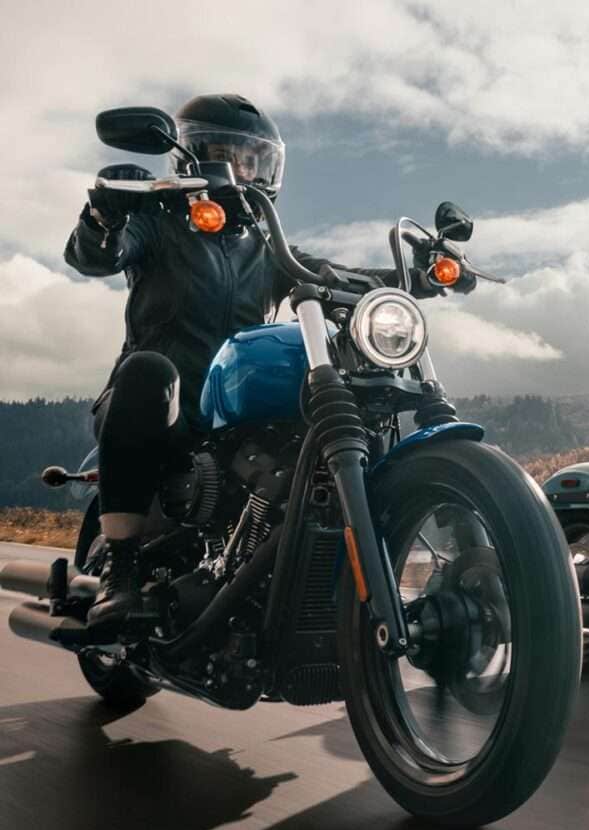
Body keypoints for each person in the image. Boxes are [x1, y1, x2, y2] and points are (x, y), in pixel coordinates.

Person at [65, 93, 442, 629]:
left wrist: (419, 277)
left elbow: (333, 274)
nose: (241, 171)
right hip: (159, 410)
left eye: (253, 159)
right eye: (226, 155)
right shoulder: (155, 220)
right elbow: (96, 254)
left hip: (234, 415)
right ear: (188, 157)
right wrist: (104, 213)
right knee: (149, 370)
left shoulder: (264, 245)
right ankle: (121, 570)